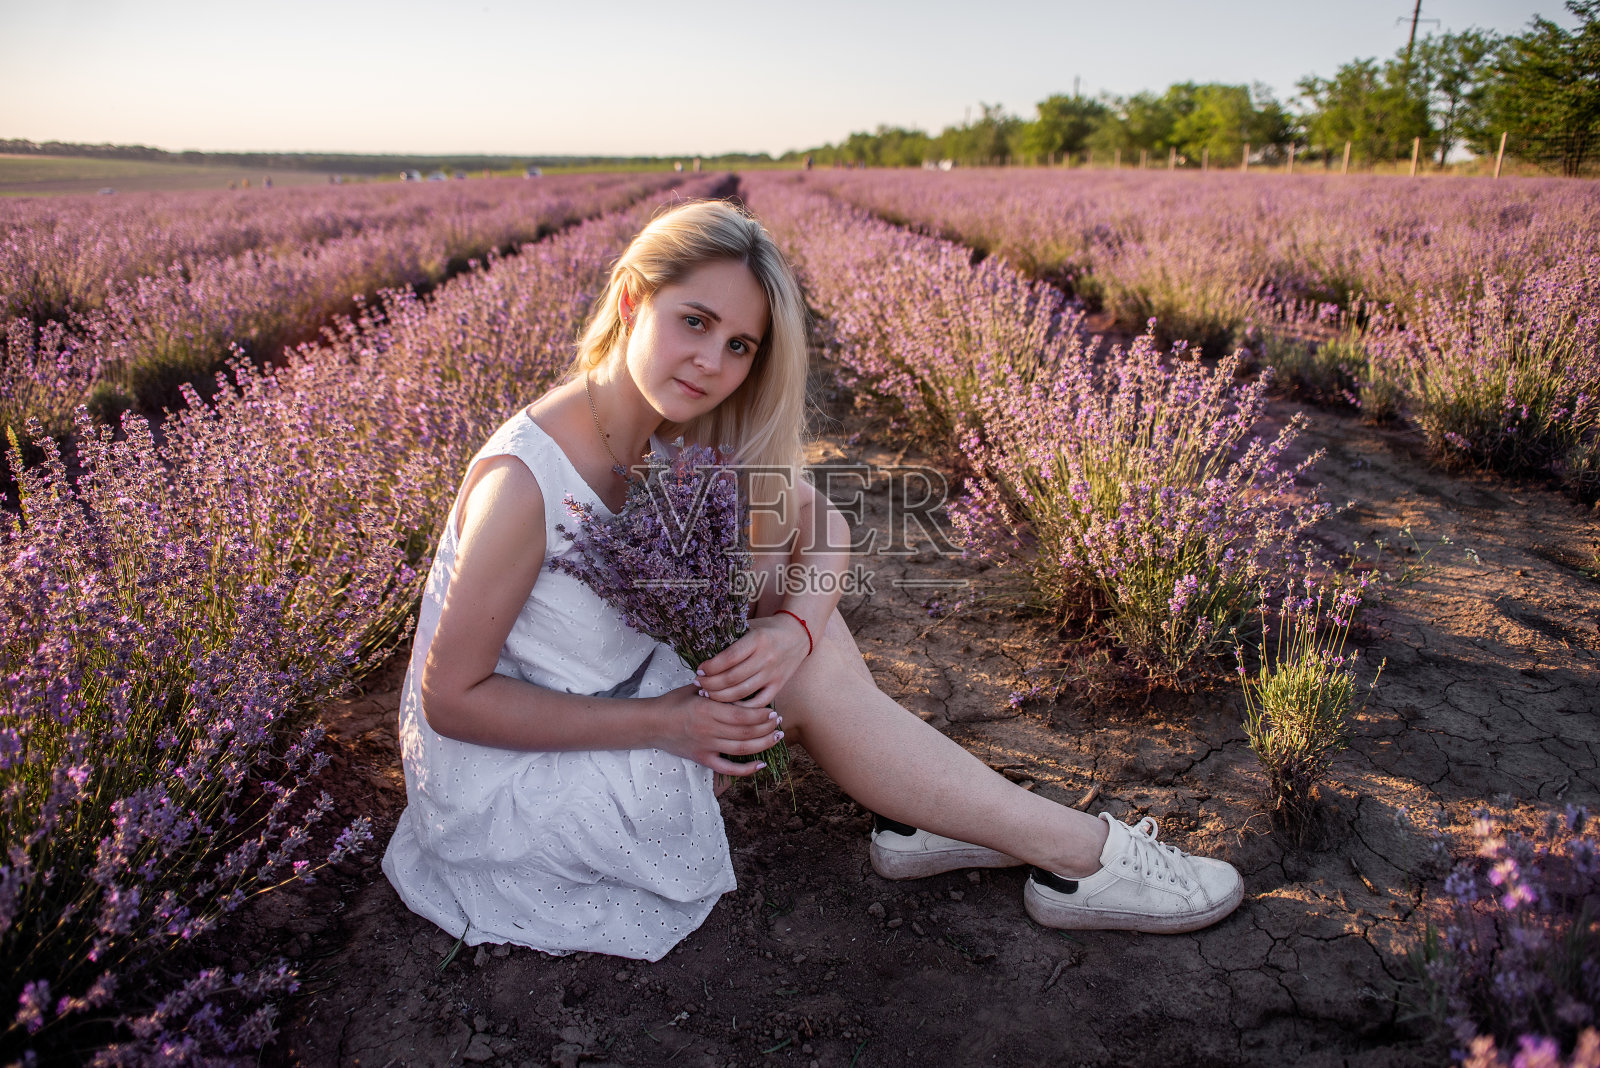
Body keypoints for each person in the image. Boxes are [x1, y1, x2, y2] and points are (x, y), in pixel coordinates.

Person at [382, 200, 1244, 962]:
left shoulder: (668, 431)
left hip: (612, 702)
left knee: (805, 635)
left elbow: (824, 523)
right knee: (806, 658)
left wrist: (787, 627)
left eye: (739, 346)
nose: (711, 360)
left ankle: (946, 821)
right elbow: (451, 700)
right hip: (517, 780)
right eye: (693, 321)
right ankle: (1077, 852)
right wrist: (667, 723)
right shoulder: (525, 482)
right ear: (631, 299)